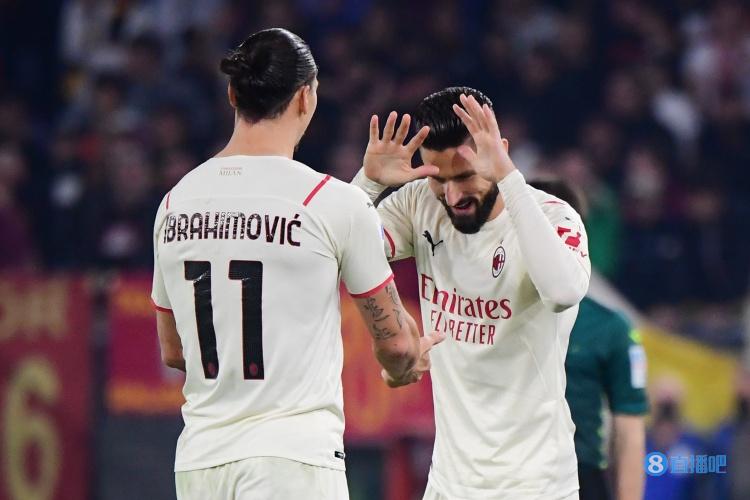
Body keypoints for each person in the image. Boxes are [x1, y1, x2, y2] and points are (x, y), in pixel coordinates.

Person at [150, 28, 443, 500]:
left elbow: (174, 350)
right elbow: (395, 344)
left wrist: (366, 184)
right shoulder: (329, 201)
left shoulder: (173, 204)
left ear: (232, 95)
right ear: (306, 97)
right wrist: (406, 362)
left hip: (200, 463)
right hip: (292, 462)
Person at [352, 87, 591, 499]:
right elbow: (338, 251)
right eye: (438, 179)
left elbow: (562, 292)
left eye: (464, 177)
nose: (452, 196)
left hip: (536, 484)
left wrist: (508, 177)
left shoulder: (553, 217)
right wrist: (366, 186)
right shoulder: (419, 205)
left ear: (499, 154)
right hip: (449, 483)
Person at [528, 178, 649, 500]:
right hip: (500, 474)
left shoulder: (611, 328)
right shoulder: (486, 316)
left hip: (580, 478)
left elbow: (629, 430)